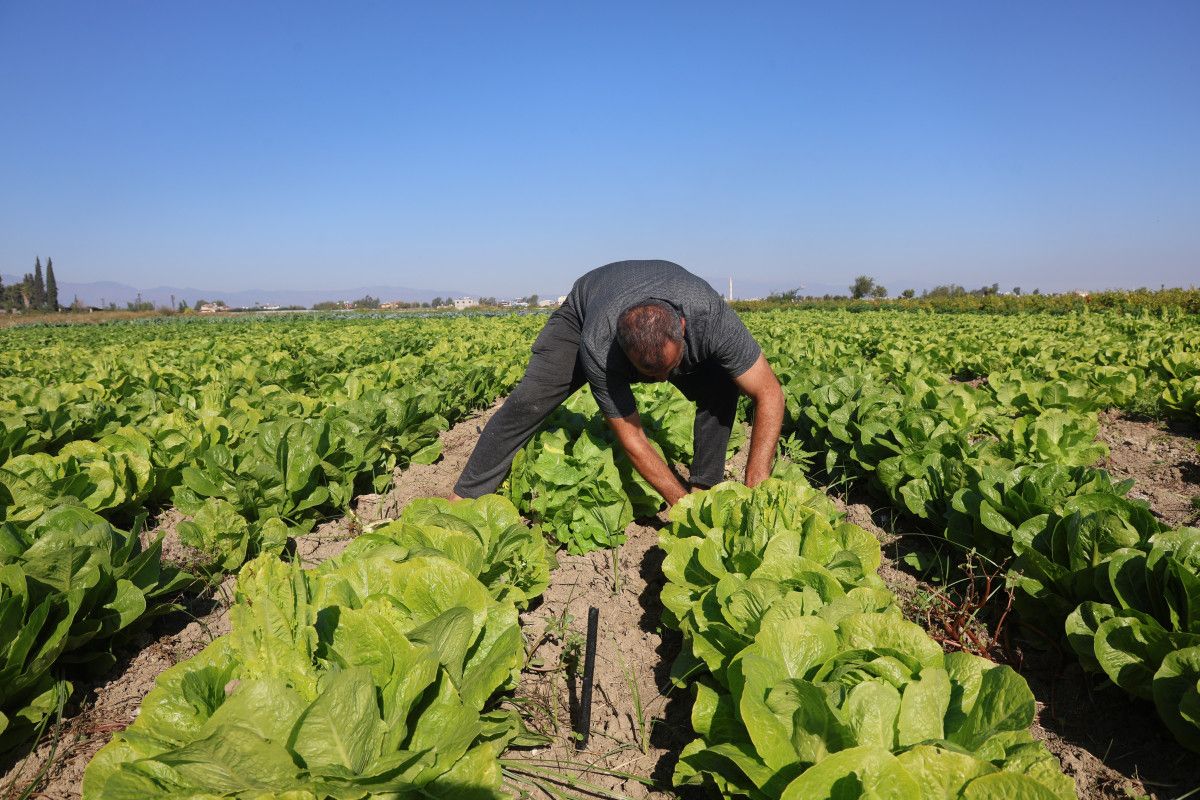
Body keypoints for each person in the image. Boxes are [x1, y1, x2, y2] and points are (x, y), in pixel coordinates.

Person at [450, 259, 784, 506]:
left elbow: (769, 392)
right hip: (585, 309)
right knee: (530, 401)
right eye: (649, 374)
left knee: (721, 385)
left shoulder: (709, 316)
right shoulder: (599, 342)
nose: (662, 382)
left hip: (668, 314)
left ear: (682, 326)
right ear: (622, 352)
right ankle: (464, 494)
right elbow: (633, 439)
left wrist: (757, 484)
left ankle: (705, 488)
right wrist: (681, 506)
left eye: (668, 368)